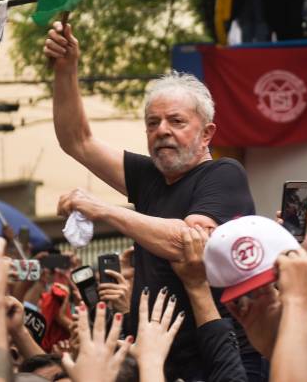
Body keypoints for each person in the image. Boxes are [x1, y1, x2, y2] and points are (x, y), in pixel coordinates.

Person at [44, 21, 256, 381]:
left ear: (207, 134)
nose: (162, 131)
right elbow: (76, 140)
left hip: (216, 360)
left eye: (176, 121)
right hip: (157, 359)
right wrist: (67, 69)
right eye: (152, 123)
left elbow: (188, 242)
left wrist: (104, 209)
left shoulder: (223, 174)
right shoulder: (151, 178)